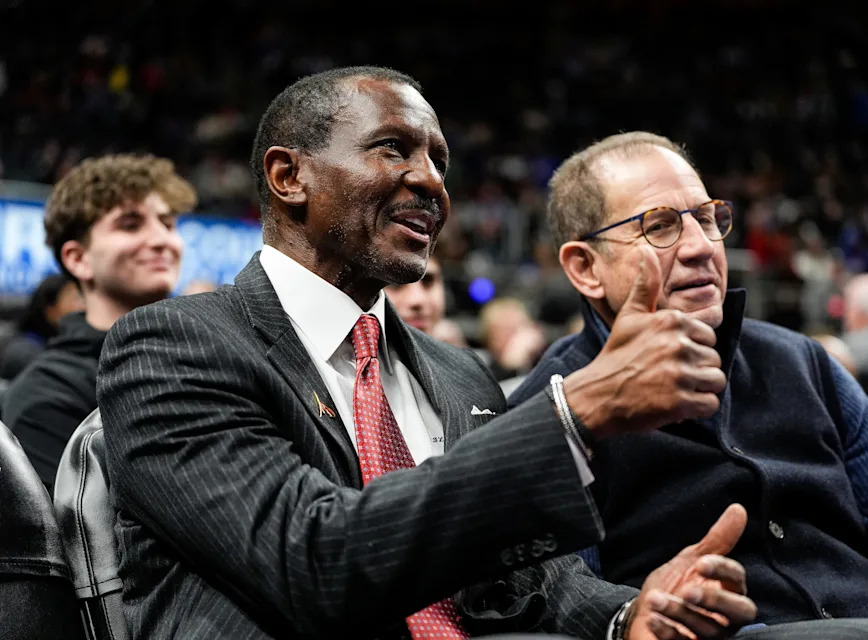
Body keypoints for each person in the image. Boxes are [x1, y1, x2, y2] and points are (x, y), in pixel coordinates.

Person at [97, 67, 759, 640]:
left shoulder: (456, 371)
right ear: (288, 175)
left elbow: (523, 578)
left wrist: (632, 616)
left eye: (440, 161)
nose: (431, 183)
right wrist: (572, 412)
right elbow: (311, 563)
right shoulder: (172, 346)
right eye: (394, 149)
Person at [510, 131, 868, 639]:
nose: (702, 247)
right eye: (660, 227)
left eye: (707, 219)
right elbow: (572, 594)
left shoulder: (809, 363)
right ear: (585, 268)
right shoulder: (554, 412)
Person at [3, 154, 193, 490]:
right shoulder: (46, 396)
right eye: (130, 224)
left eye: (167, 223)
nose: (162, 240)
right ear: (78, 260)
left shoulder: (208, 357)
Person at [0, 273, 83, 380]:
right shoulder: (23, 352)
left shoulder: (70, 345)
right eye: (76, 299)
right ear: (50, 309)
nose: (82, 306)